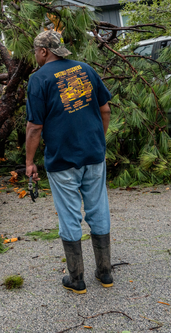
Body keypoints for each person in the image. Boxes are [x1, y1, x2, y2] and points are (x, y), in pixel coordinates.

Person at [25, 30, 113, 295]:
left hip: (62, 159)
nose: (36, 56)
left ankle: (76, 278)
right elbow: (105, 109)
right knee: (98, 209)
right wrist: (98, 140)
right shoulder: (86, 69)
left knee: (69, 215)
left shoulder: (38, 79)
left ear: (43, 51)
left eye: (36, 51)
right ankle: (105, 273)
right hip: (93, 154)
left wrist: (29, 161)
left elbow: (34, 127)